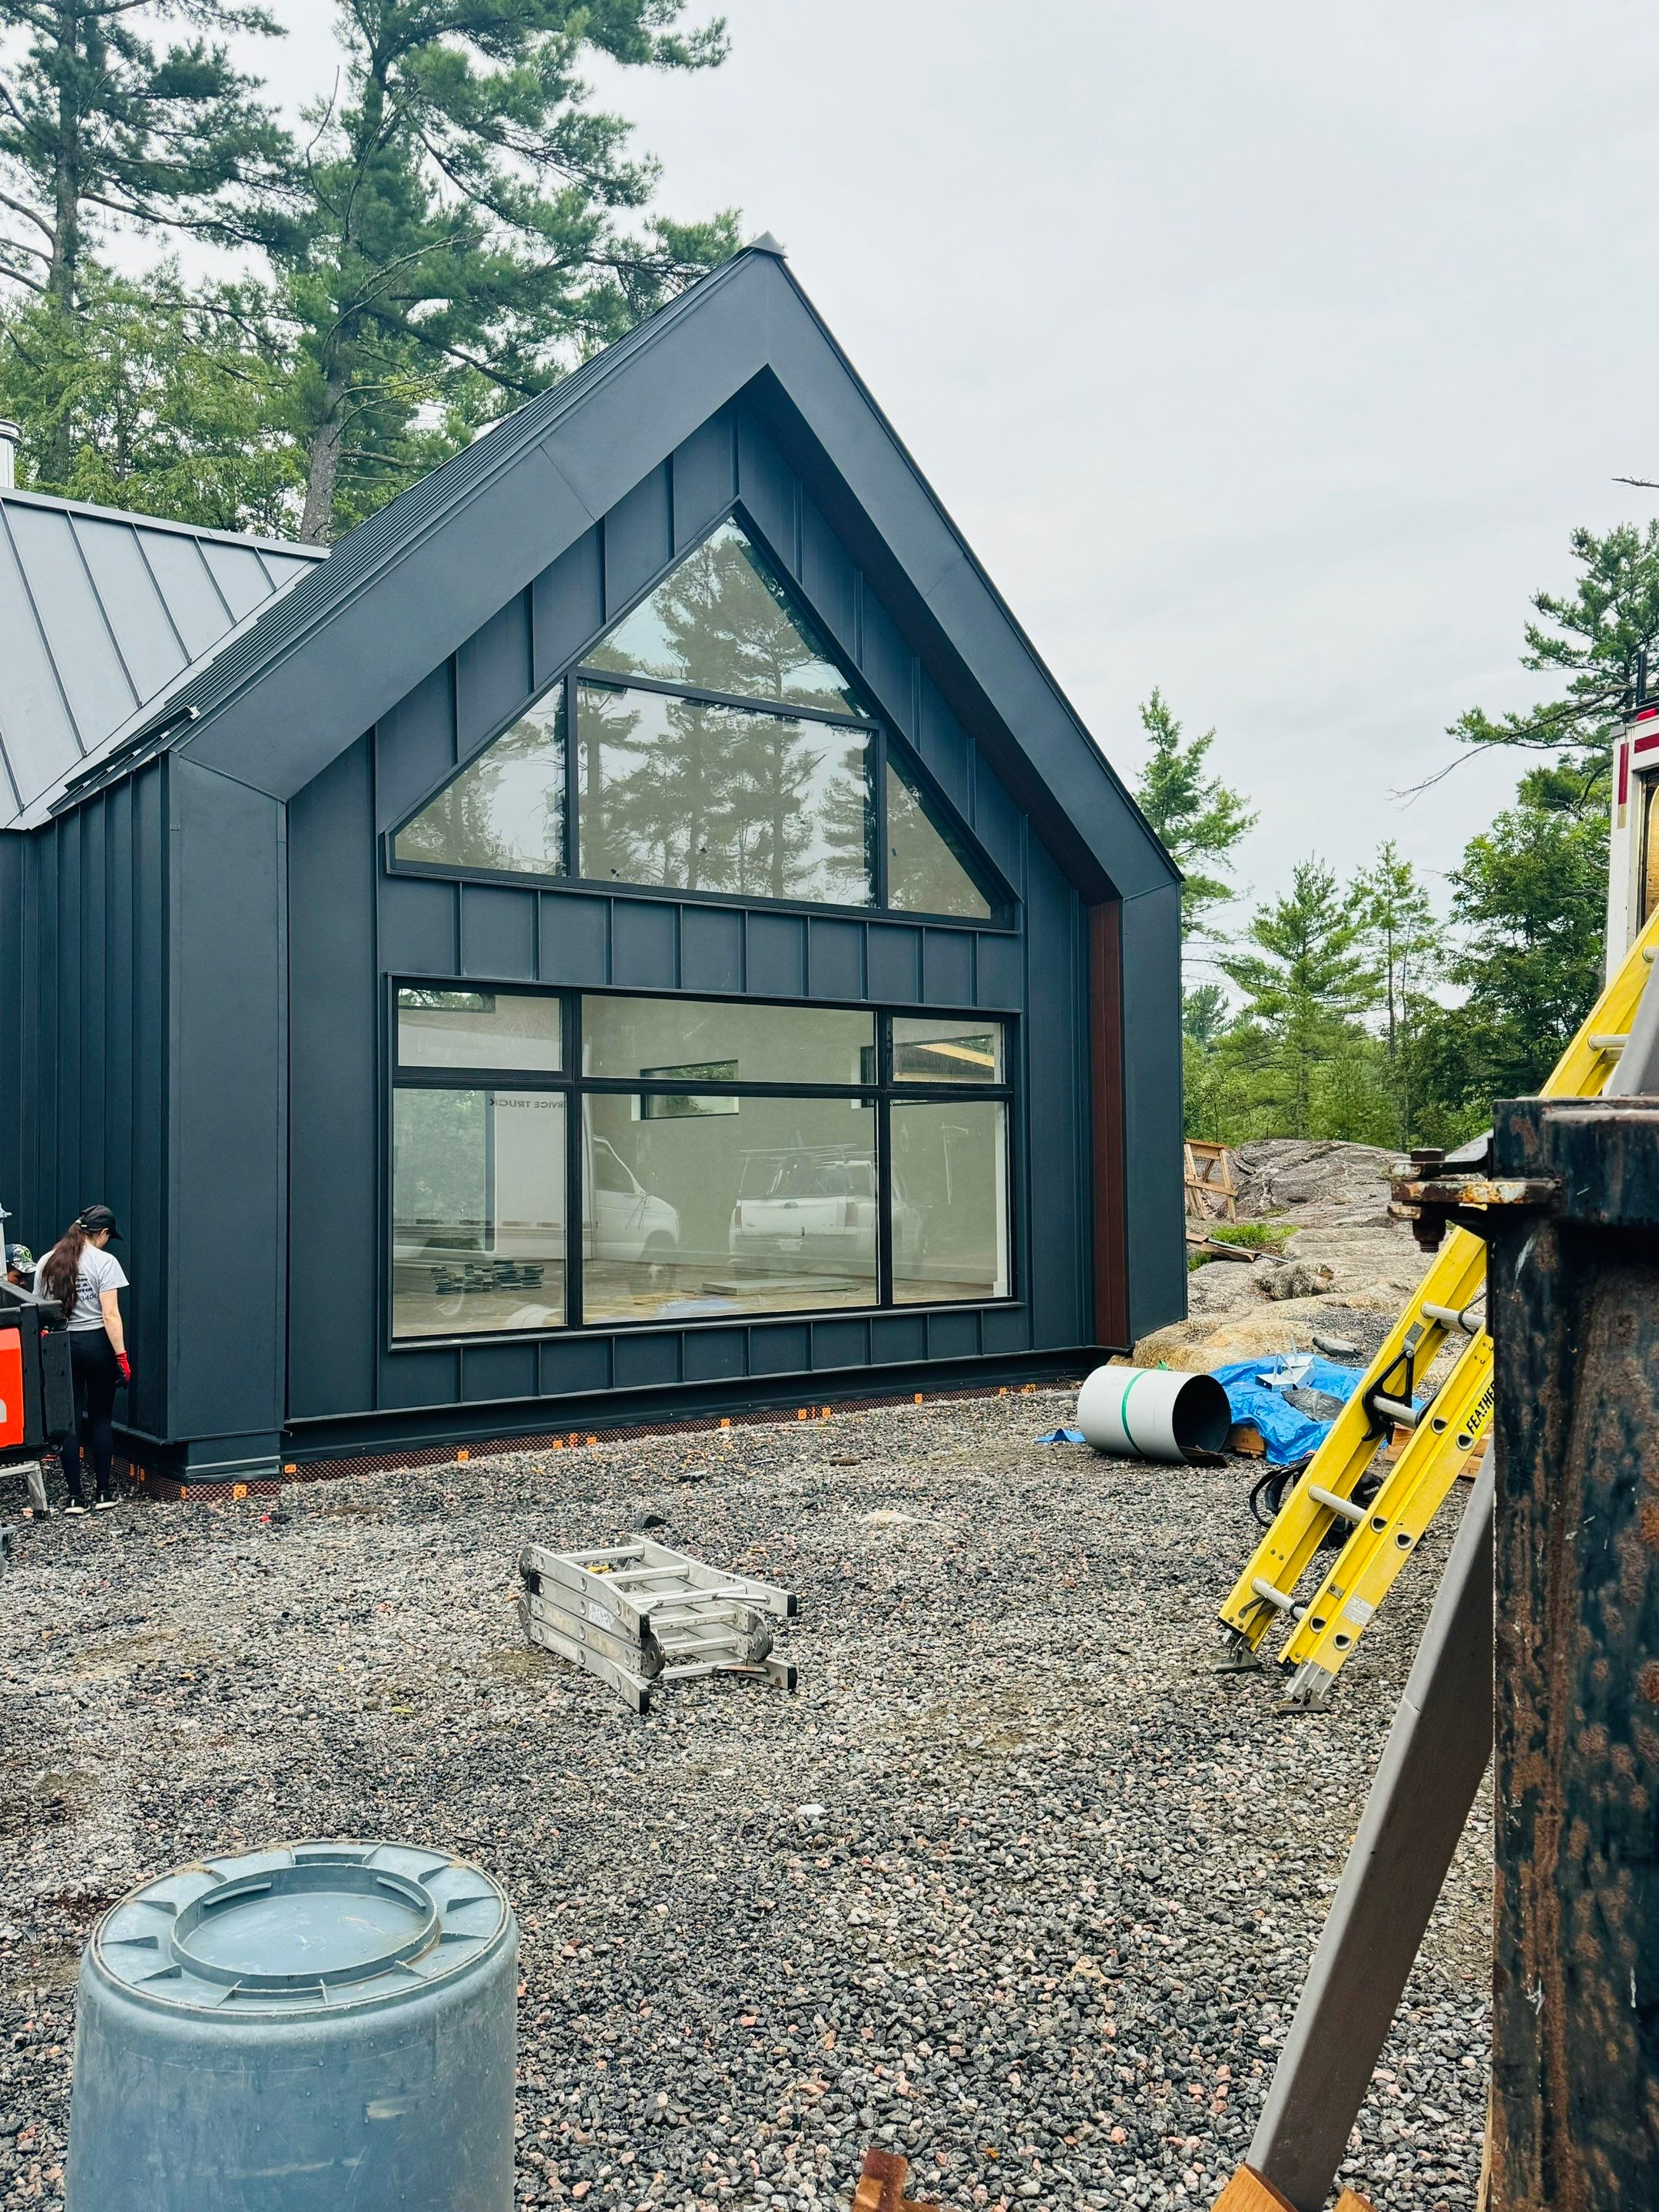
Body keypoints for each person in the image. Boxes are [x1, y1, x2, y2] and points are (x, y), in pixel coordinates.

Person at [35, 1207, 129, 1516]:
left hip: (62, 1344)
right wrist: (122, 1357)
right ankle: (103, 1492)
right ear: (102, 1234)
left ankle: (75, 1497)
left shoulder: (48, 1262)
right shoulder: (105, 1262)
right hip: (97, 1343)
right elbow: (110, 1315)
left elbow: (39, 1309)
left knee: (70, 1421)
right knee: (101, 1418)